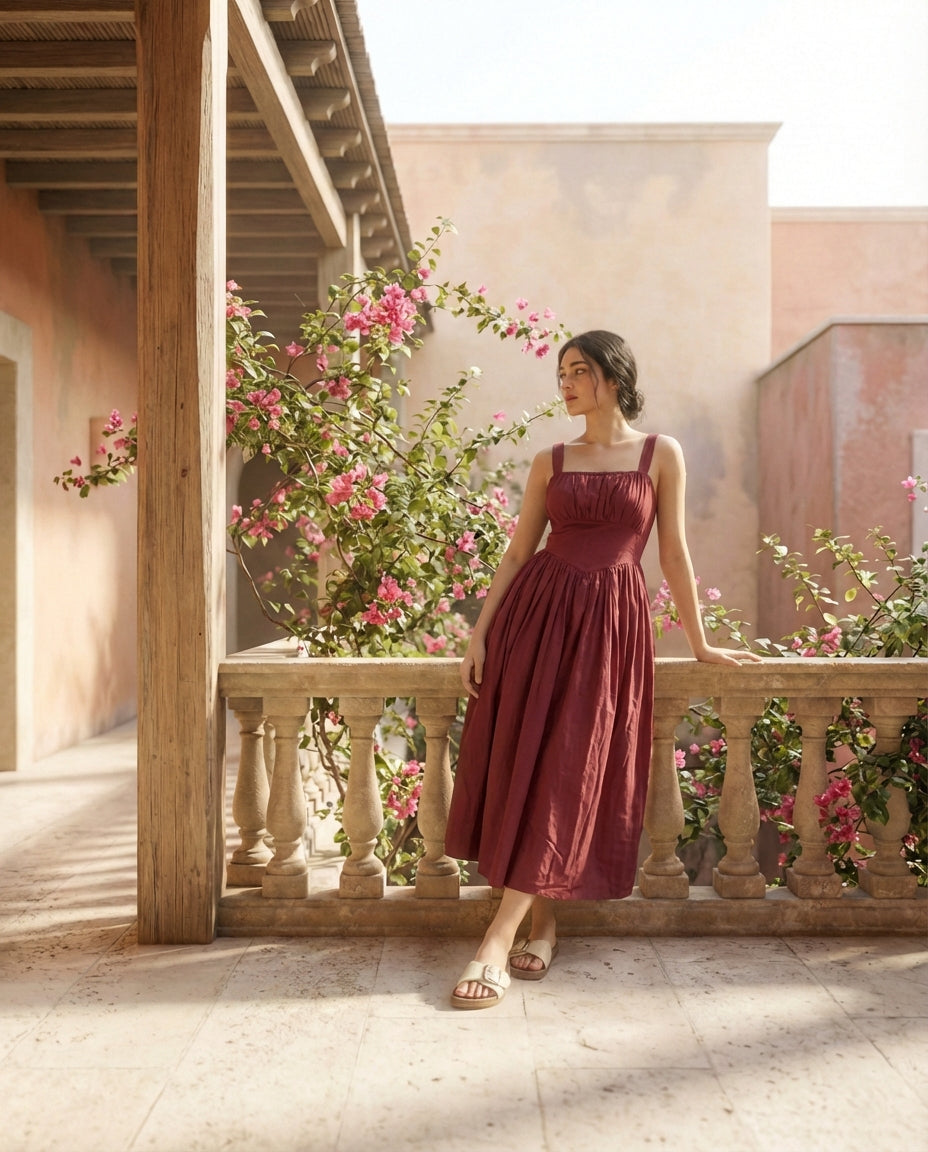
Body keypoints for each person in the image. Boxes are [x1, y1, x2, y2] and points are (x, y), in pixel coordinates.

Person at [445, 329, 761, 1009]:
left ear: (612, 377)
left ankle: (496, 938)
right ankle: (541, 924)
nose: (565, 383)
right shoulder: (549, 460)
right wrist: (480, 634)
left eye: (578, 371)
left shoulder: (659, 454)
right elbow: (516, 554)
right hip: (536, 620)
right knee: (531, 765)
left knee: (569, 768)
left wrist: (701, 643)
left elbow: (671, 555)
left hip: (611, 627)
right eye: (561, 372)